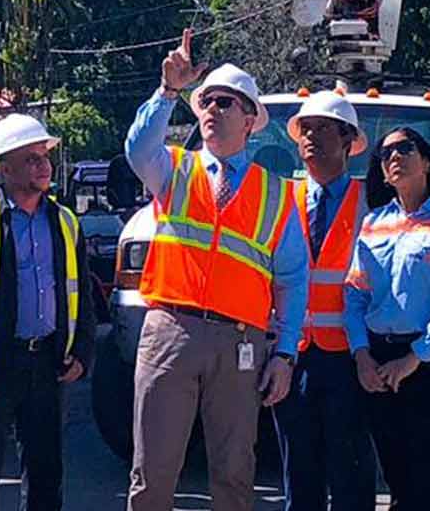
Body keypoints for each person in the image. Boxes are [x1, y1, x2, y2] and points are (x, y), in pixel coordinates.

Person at [124, 28, 309, 511]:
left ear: (250, 119)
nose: (211, 109)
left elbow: (291, 282)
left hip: (241, 343)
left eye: (225, 103)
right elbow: (137, 149)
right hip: (170, 331)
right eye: (206, 101)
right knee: (154, 471)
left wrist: (285, 354)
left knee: (234, 473)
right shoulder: (173, 168)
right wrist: (168, 92)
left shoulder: (278, 194)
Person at [0, 114, 96, 511]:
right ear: (5, 167)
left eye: (44, 155)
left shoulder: (65, 221)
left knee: (46, 471)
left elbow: (83, 294)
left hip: (48, 363)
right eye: (31, 158)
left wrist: (82, 353)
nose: (43, 165)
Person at [345, 128, 430, 511]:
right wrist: (361, 355)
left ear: (425, 161)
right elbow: (355, 297)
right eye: (385, 153)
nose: (394, 157)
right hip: (378, 362)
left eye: (405, 148)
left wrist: (414, 359)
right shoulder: (373, 223)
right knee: (398, 477)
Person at [274, 92, 377, 511]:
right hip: (293, 355)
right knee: (300, 476)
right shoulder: (282, 199)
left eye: (322, 129)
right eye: (305, 130)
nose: (311, 138)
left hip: (349, 359)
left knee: (350, 472)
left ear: (349, 140)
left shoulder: (372, 203)